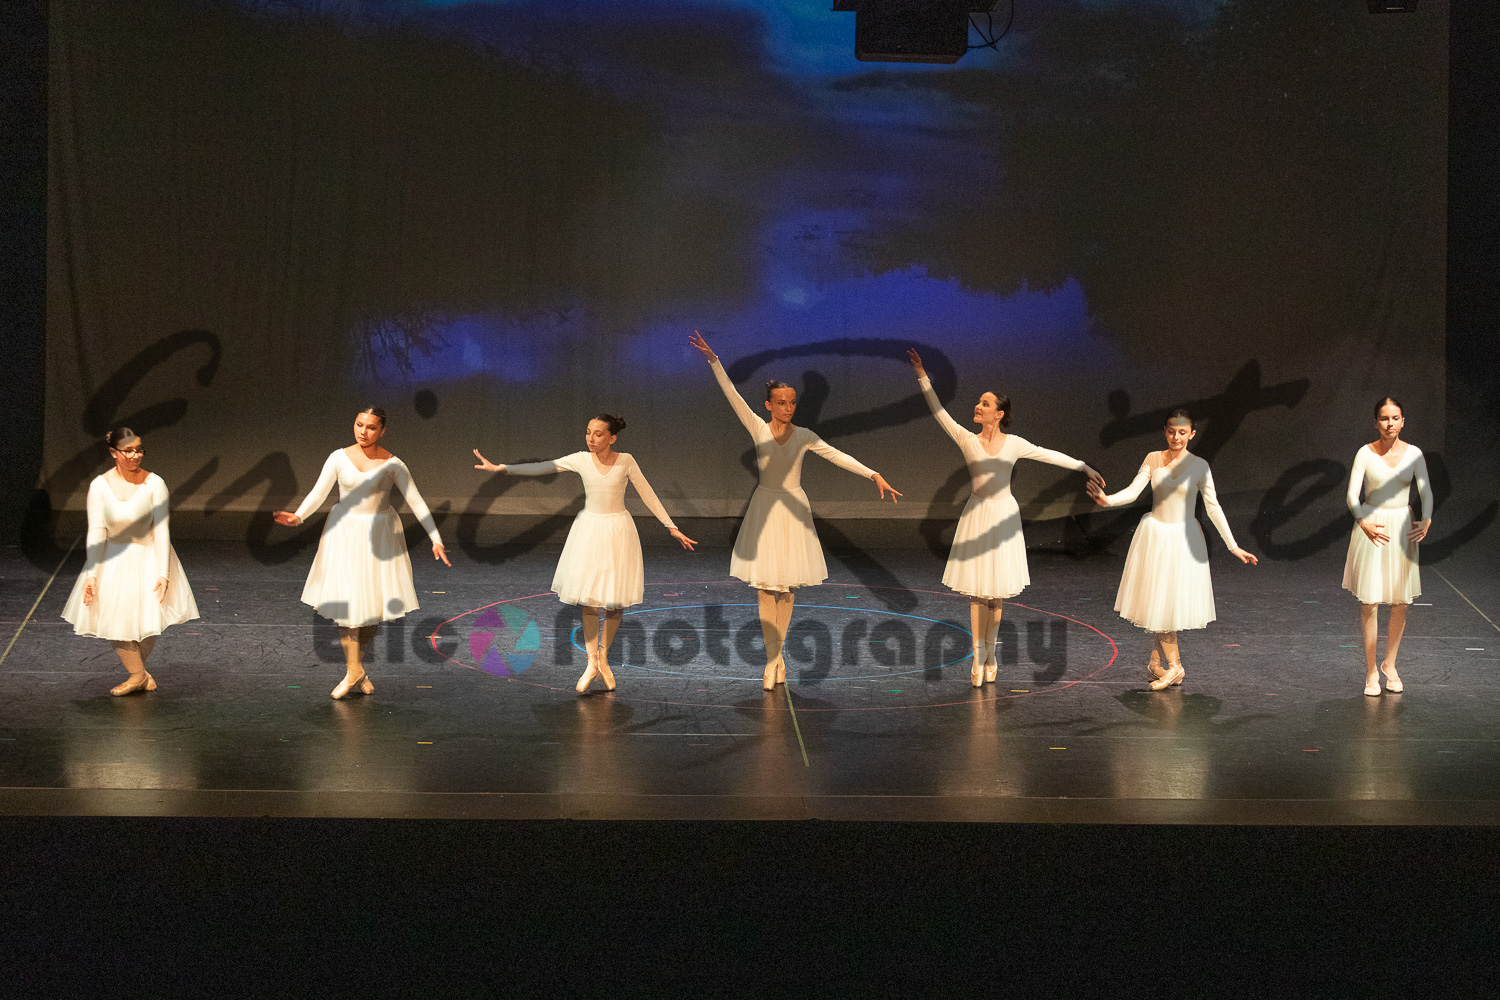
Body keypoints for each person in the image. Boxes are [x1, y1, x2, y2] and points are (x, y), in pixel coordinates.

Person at [689, 331, 902, 690]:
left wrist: (873, 474)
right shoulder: (758, 428)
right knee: (764, 587)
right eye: (781, 403)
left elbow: (836, 455)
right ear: (769, 405)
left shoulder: (804, 436)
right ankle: (772, 659)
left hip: (793, 510)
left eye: (792, 402)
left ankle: (777, 657)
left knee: (786, 588)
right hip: (766, 509)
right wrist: (714, 360)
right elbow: (732, 395)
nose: (788, 407)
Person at [907, 348, 1104, 686]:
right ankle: (977, 656)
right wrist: (922, 376)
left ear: (998, 414)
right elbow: (939, 413)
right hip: (977, 515)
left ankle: (990, 654)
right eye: (978, 402)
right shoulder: (967, 439)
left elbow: (1047, 455)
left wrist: (1083, 466)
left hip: (1003, 517)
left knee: (995, 592)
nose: (977, 406)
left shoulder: (1013, 444)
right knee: (977, 591)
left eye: (984, 404)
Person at [473, 414, 696, 694]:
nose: (591, 438)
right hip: (590, 531)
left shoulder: (626, 461)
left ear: (612, 438)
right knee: (589, 600)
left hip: (618, 531)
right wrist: (502, 468)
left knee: (615, 601)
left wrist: (671, 526)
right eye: (588, 432)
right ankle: (591, 662)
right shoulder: (581, 459)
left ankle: (603, 657)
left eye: (598, 434)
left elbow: (647, 493)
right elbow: (544, 467)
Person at [274, 407, 449, 699]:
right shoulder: (338, 458)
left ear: (382, 431)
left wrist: (436, 538)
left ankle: (356, 670)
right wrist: (299, 516)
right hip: (344, 533)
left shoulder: (393, 464)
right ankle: (354, 670)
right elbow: (319, 492)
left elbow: (416, 501)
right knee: (346, 605)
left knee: (371, 609)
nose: (362, 432)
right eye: (359, 425)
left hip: (380, 536)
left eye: (370, 427)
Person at [1087, 409, 1258, 690]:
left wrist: (1233, 545)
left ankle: (1175, 666)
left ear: (1192, 434)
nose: (1176, 437)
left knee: (1166, 605)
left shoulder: (1199, 466)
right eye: (1171, 432)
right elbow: (1133, 490)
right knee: (1159, 604)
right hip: (1155, 536)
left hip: (1182, 540)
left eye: (1182, 432)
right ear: (1164, 432)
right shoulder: (1153, 458)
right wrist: (1108, 501)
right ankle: (1156, 664)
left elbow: (1213, 507)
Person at [60, 428, 199, 695]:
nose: (135, 456)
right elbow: (97, 530)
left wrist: (164, 573)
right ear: (114, 453)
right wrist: (92, 573)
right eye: (128, 451)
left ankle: (138, 675)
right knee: (116, 621)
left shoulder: (154, 484)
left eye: (139, 450)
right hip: (113, 559)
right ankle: (139, 675)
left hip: (149, 556)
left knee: (149, 618)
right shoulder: (99, 486)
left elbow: (161, 529)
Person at [1343, 396, 1432, 696]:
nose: (1389, 423)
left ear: (1403, 421)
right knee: (1369, 602)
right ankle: (1371, 671)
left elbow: (1425, 490)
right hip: (1372, 527)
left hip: (1402, 528)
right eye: (1384, 418)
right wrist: (1363, 521)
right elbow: (1352, 496)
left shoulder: (1414, 453)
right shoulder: (1365, 453)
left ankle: (1389, 664)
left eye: (1395, 418)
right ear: (1376, 422)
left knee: (1400, 601)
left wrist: (1427, 518)